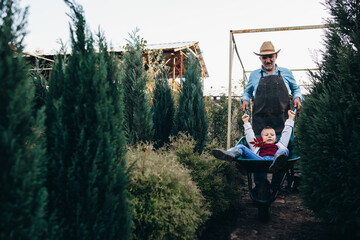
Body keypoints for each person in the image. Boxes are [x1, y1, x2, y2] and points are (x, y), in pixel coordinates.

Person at [212, 110, 296, 194]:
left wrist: (290, 119)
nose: (269, 136)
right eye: (266, 135)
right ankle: (231, 154)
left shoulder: (280, 145)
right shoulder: (257, 145)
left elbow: (286, 133)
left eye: (272, 135)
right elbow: (250, 136)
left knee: (284, 149)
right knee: (241, 147)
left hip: (276, 158)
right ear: (261, 139)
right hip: (260, 160)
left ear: (275, 139)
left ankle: (278, 161)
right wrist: (246, 122)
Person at [241, 41, 302, 135]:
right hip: (260, 120)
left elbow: (295, 89)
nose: (268, 60)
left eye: (270, 57)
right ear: (260, 58)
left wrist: (297, 97)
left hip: (283, 119)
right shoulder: (254, 75)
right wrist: (245, 99)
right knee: (259, 147)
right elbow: (248, 92)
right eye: (264, 58)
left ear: (276, 56)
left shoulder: (286, 72)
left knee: (283, 145)